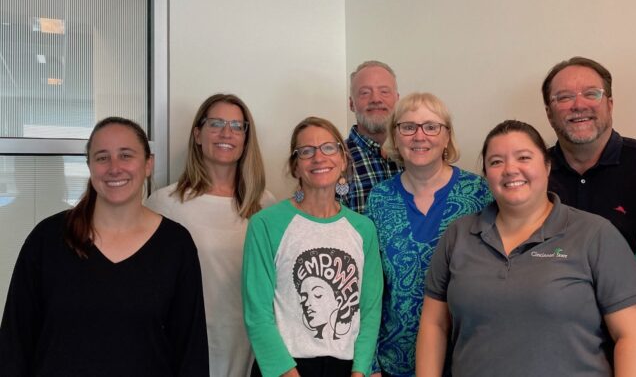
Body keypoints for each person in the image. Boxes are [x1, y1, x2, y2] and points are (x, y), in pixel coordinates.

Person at [417, 120, 636, 376]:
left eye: (524, 157)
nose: (510, 169)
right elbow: (434, 325)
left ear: (547, 165)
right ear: (486, 174)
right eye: (496, 162)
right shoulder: (458, 235)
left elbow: (632, 336)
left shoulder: (595, 234)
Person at [0, 117, 209, 376]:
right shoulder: (47, 239)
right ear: (89, 166)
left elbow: (191, 352)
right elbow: (14, 342)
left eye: (126, 155)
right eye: (102, 157)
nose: (114, 168)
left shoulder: (176, 246)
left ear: (148, 165)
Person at [146, 94, 275, 377]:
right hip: (186, 342)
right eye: (216, 123)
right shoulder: (165, 204)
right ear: (197, 134)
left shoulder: (265, 206)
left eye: (237, 126)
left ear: (245, 138)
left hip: (250, 344)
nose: (226, 133)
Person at [242, 117, 382, 377]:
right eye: (306, 151)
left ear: (343, 160)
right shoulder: (265, 224)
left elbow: (370, 310)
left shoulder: (364, 229)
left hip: (347, 368)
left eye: (328, 148)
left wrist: (360, 370)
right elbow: (257, 313)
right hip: (283, 368)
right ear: (296, 167)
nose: (319, 158)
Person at [365, 92, 493, 376]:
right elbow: (369, 288)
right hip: (394, 363)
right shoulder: (379, 199)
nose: (419, 136)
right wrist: (369, 364)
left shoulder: (479, 194)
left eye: (431, 126)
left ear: (447, 137)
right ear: (395, 137)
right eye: (408, 127)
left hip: (464, 358)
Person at [542, 56, 636, 252]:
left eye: (591, 94)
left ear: (610, 104)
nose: (579, 105)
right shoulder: (533, 174)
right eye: (564, 97)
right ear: (549, 113)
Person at [345, 60, 403, 213]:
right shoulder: (333, 160)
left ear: (397, 99)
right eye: (365, 92)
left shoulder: (416, 153)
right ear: (351, 104)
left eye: (384, 91)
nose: (376, 99)